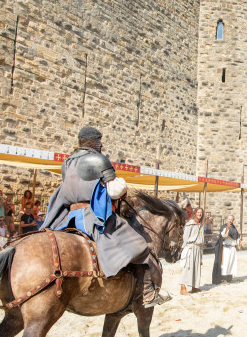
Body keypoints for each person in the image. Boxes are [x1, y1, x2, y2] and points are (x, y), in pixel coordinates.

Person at [41, 125, 169, 307]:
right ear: (91, 141)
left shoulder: (67, 163)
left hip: (68, 218)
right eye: (99, 140)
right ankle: (148, 293)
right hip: (91, 216)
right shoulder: (98, 159)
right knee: (140, 245)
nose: (101, 145)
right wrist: (123, 189)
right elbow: (115, 190)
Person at [180, 207, 205, 295]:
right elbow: (185, 237)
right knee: (188, 267)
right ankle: (182, 287)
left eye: (201, 213)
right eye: (198, 212)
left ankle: (195, 287)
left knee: (197, 268)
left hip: (198, 248)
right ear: (195, 213)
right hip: (191, 247)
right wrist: (184, 249)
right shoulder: (190, 224)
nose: (200, 214)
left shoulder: (200, 224)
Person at [212, 214, 239, 284]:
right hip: (226, 248)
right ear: (227, 219)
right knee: (225, 263)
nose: (230, 220)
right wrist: (227, 229)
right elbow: (223, 235)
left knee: (231, 263)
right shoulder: (224, 227)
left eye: (231, 219)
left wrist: (238, 242)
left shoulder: (234, 227)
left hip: (232, 247)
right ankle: (223, 278)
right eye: (229, 219)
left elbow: (236, 236)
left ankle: (229, 277)